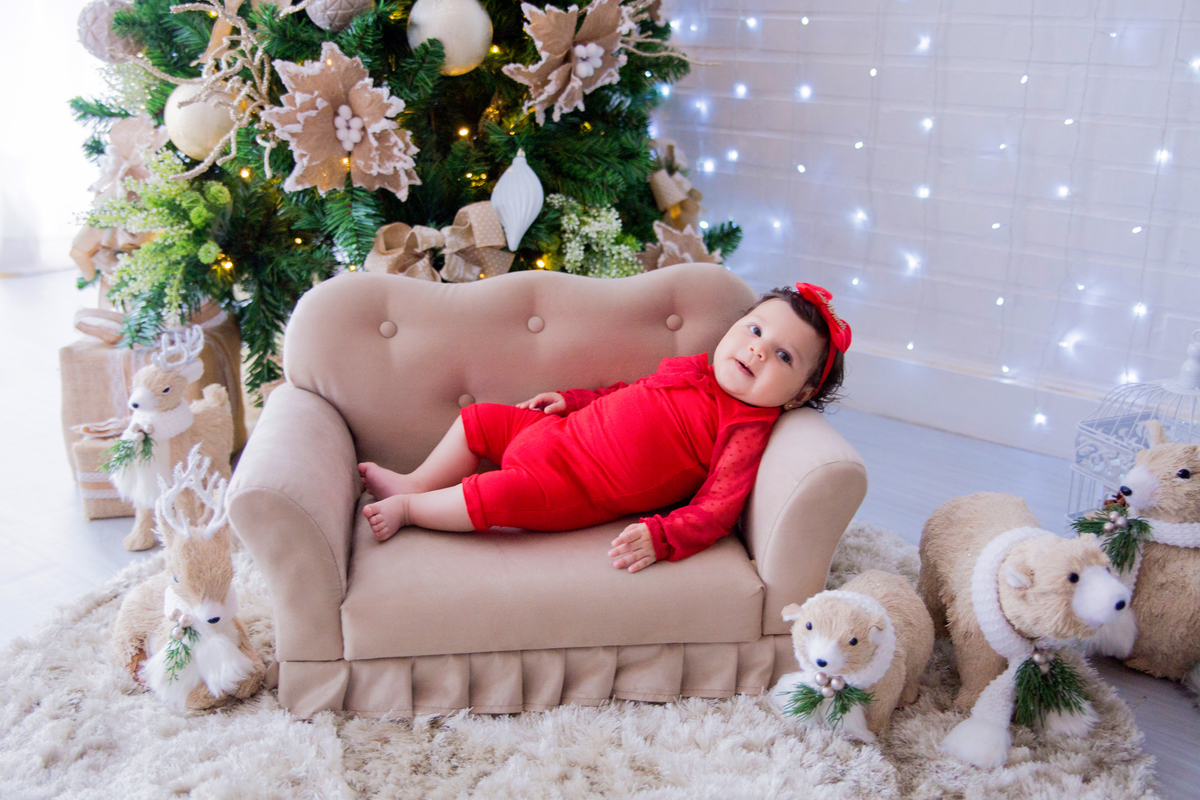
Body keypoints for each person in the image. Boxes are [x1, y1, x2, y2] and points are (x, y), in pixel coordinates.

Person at [358, 282, 852, 573]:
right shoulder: (695, 368)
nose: (758, 349)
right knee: (479, 418)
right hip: (559, 433)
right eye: (756, 330)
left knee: (494, 495)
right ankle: (416, 481)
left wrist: (664, 536)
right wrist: (572, 400)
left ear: (799, 395)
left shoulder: (745, 428)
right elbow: (629, 392)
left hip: (571, 485)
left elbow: (717, 508)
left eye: (783, 356)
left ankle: (411, 509)